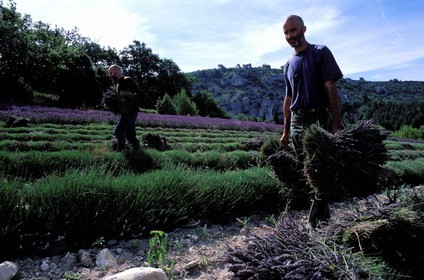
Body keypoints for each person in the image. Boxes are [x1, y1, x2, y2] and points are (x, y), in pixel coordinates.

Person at [279, 15, 343, 229]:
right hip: (297, 120)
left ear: (304, 29)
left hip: (318, 118)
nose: (290, 36)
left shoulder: (320, 52)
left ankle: (314, 221)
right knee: (305, 170)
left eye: (294, 30)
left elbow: (330, 88)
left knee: (319, 169)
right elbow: (288, 99)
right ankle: (322, 219)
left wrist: (336, 123)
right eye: (286, 33)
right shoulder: (288, 64)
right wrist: (285, 130)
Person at [107, 64, 142, 151]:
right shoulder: (118, 84)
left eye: (111, 73)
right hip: (126, 112)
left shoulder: (127, 80)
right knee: (130, 135)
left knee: (119, 131)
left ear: (117, 71)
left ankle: (121, 152)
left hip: (131, 111)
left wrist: (128, 102)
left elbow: (138, 94)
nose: (110, 75)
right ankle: (138, 152)